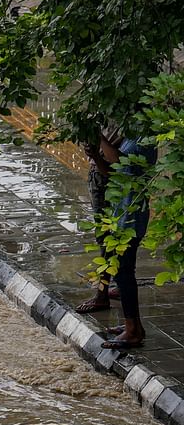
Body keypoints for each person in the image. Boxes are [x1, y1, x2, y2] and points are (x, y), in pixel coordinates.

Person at [102, 135, 158, 349]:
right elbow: (114, 170)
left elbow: (119, 162)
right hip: (122, 213)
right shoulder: (134, 135)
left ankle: (133, 330)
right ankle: (132, 324)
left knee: (124, 273)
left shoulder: (145, 141)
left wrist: (99, 139)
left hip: (131, 218)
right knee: (123, 272)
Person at [75, 125, 122, 314]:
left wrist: (98, 145)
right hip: (103, 173)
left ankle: (102, 294)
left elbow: (115, 166)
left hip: (106, 176)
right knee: (113, 237)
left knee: (107, 238)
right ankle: (115, 285)